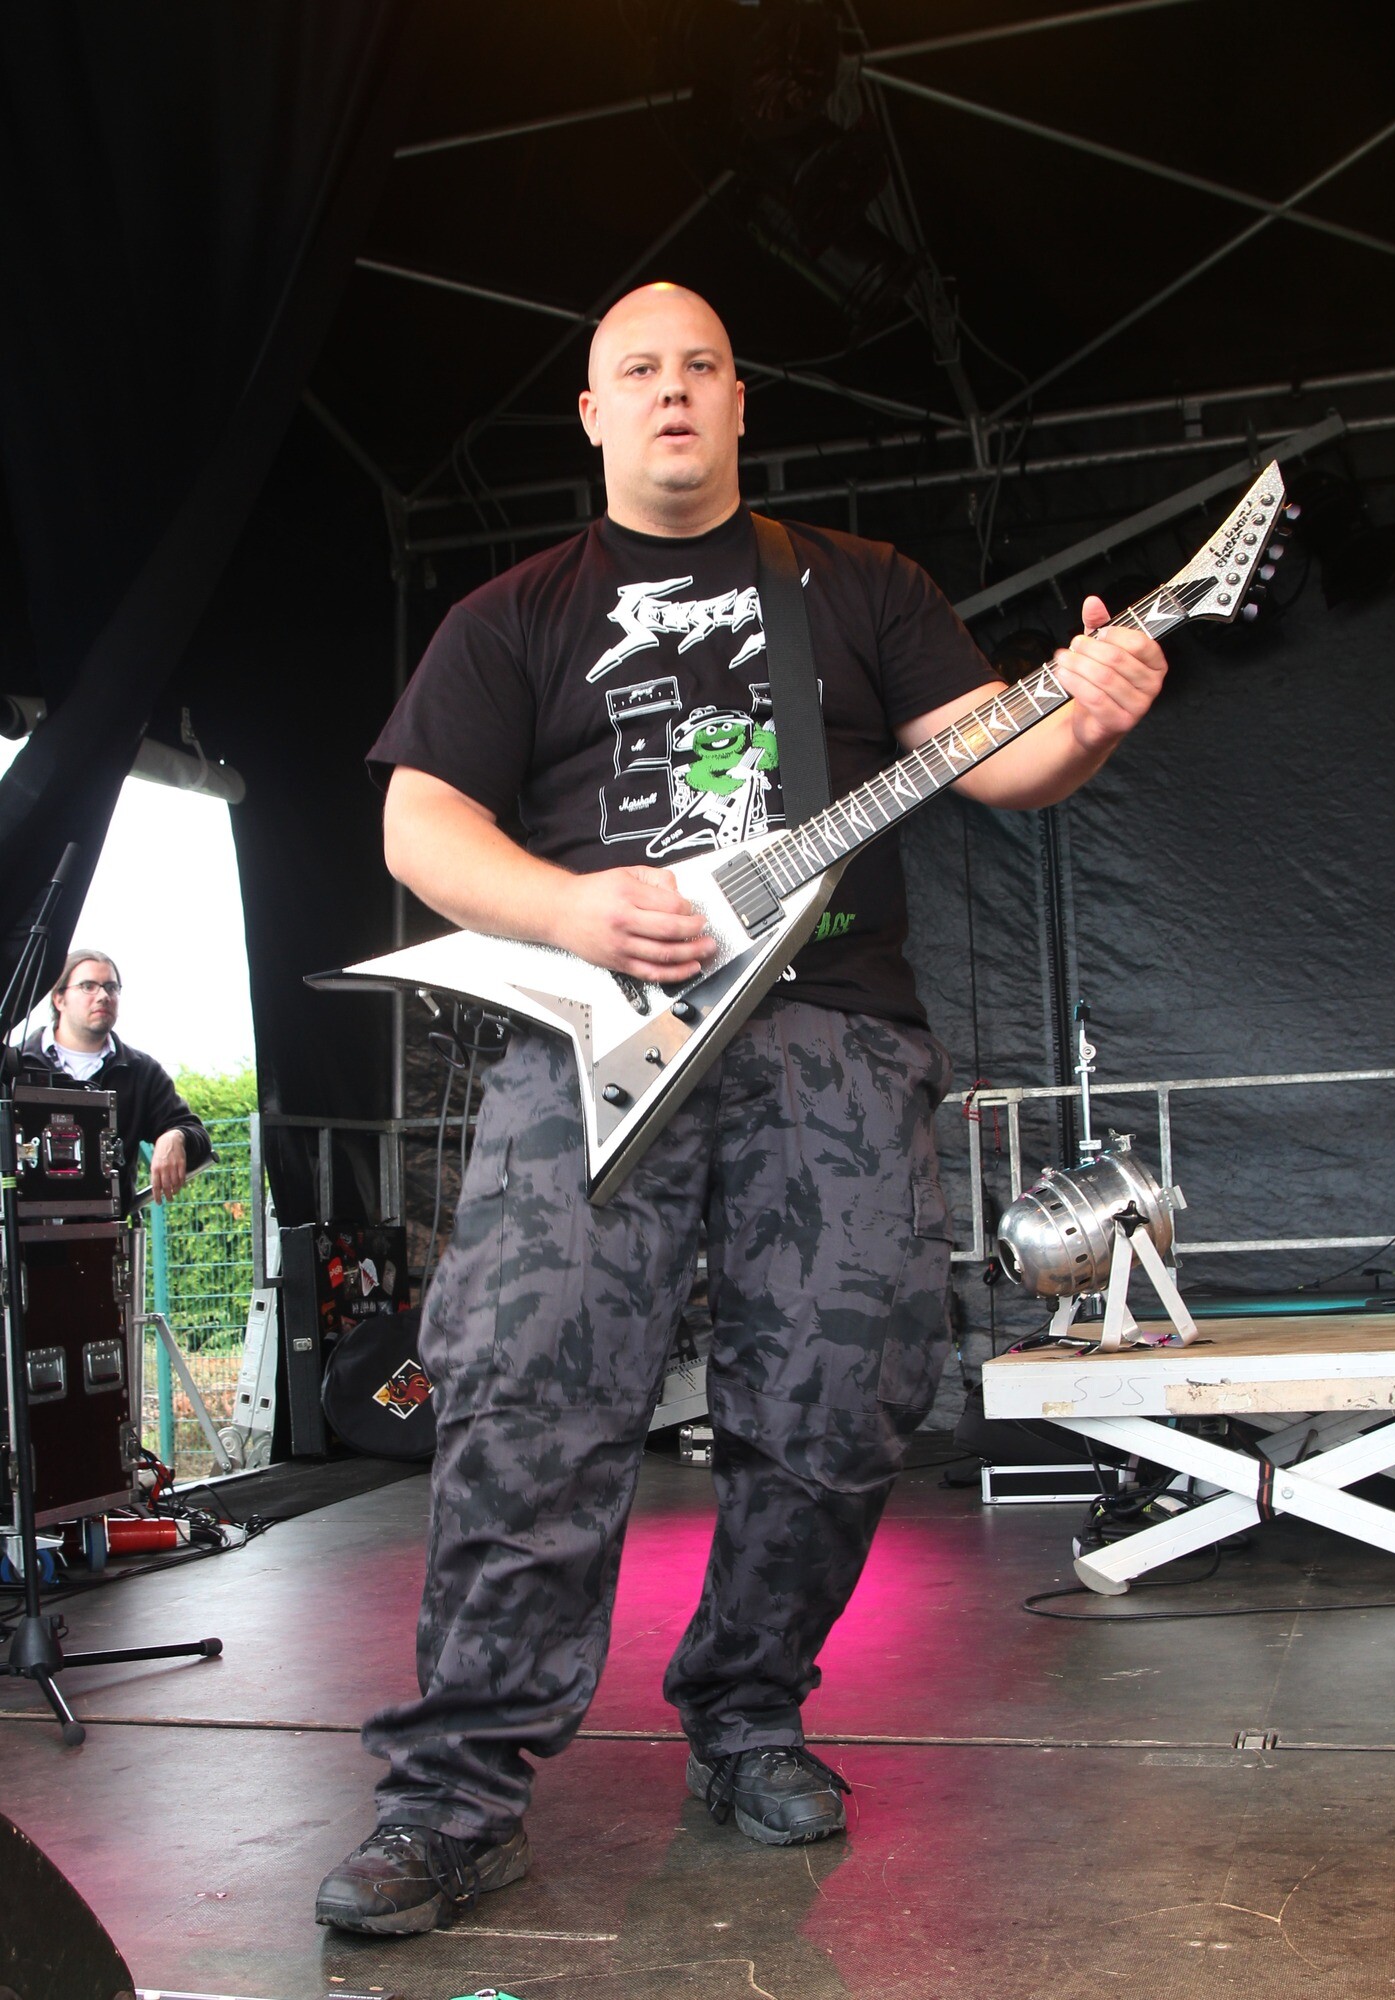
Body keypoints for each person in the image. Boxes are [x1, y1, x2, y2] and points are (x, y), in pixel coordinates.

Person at [315, 283, 1168, 1939]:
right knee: (525, 1396)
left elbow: (1001, 764)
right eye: (638, 369)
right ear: (592, 413)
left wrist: (1087, 718)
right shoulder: (514, 614)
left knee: (847, 1398)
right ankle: (454, 1796)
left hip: (833, 1033)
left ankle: (749, 1710)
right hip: (591, 1043)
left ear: (740, 401)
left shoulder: (858, 585)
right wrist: (571, 908)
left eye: (701, 365)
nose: (673, 390)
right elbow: (422, 827)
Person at [9, 948, 212, 1204]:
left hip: (107, 1226)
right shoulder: (15, 1066)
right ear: (59, 998)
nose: (103, 996)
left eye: (111, 987)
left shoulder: (140, 1072)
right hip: (20, 1226)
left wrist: (176, 1136)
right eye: (88, 986)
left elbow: (198, 1137)